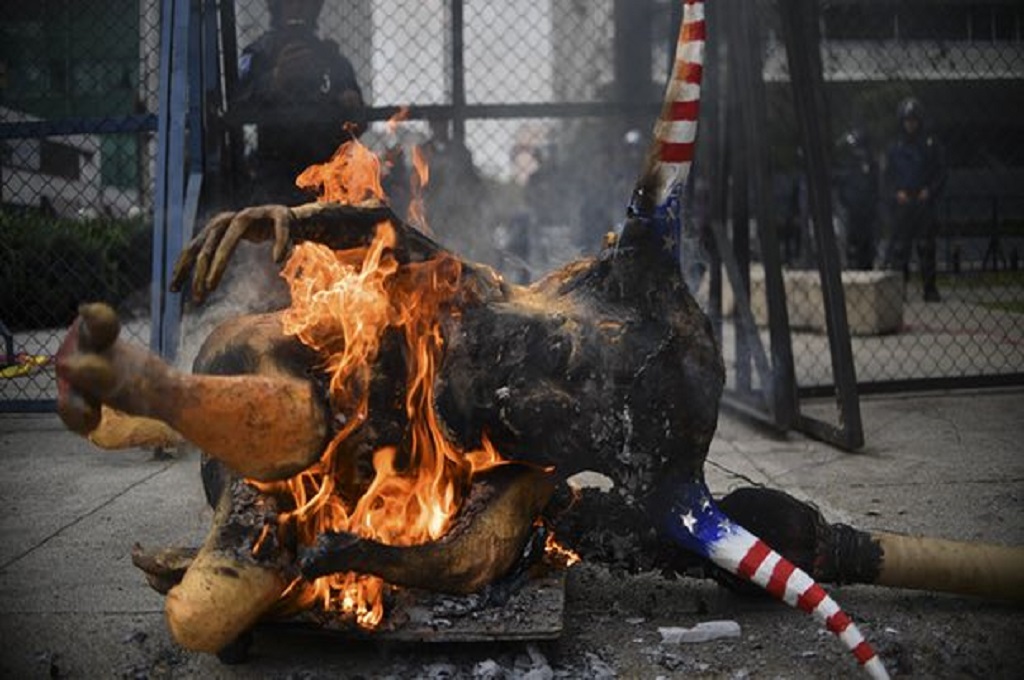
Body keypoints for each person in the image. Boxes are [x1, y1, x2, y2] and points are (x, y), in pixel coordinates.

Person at [231, 0, 366, 205]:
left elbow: (359, 122)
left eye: (305, 2)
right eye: (290, 2)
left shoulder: (331, 59)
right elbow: (237, 105)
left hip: (326, 179)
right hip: (275, 179)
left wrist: (349, 106)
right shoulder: (259, 54)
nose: (298, 8)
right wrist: (274, 81)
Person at [883, 97, 947, 301]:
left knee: (926, 246)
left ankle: (930, 289)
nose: (910, 124)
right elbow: (887, 176)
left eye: (914, 120)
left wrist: (930, 190)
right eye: (907, 120)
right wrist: (895, 192)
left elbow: (941, 172)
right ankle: (899, 290)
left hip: (923, 200)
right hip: (903, 201)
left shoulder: (929, 144)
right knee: (901, 248)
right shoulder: (894, 147)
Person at [835, 128, 879, 270]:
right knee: (850, 243)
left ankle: (865, 266)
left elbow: (874, 187)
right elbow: (841, 189)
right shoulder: (845, 166)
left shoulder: (869, 164)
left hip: (866, 210)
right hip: (848, 209)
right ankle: (851, 266)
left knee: (865, 244)